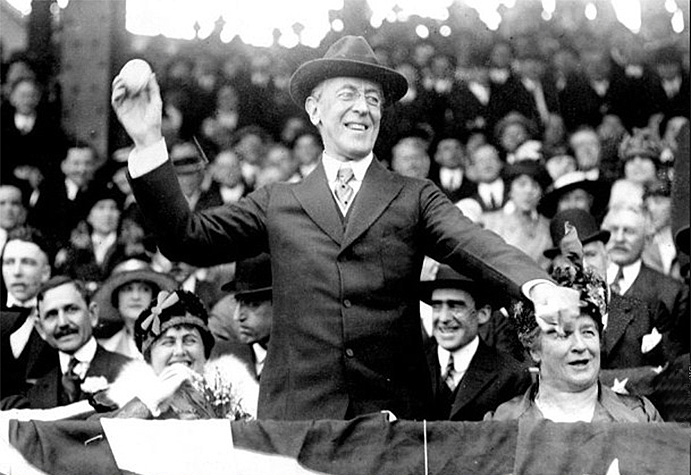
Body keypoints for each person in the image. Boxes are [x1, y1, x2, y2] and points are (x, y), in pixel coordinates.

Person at [112, 35, 580, 421]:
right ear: (315, 110)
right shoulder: (280, 201)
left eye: (373, 99)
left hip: (392, 422)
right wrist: (150, 142)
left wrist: (536, 286)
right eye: (349, 95)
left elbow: (474, 242)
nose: (364, 108)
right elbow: (185, 238)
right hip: (297, 423)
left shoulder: (413, 195)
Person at [486, 226, 663, 422]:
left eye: (588, 332)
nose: (580, 346)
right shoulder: (502, 423)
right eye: (564, 334)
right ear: (534, 349)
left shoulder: (641, 417)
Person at [99, 289, 258, 420]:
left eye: (190, 341)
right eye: (168, 342)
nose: (180, 351)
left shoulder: (233, 387)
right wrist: (152, 399)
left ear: (205, 351)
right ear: (149, 357)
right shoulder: (128, 391)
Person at [1, 276, 131, 410]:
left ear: (92, 314)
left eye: (71, 309)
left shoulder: (130, 373)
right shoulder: (35, 393)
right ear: (41, 328)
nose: (62, 323)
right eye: (52, 314)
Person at [421, 265, 530, 420]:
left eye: (455, 306)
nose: (444, 318)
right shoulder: (410, 368)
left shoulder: (511, 376)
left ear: (483, 314)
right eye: (437, 306)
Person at [0, 226, 57, 399]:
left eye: (27, 262)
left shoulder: (58, 317)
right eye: (9, 262)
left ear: (46, 272)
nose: (17, 272)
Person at [93, 256, 178, 359]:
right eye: (128, 289)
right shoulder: (108, 349)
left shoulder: (175, 342)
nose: (136, 297)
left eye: (145, 289)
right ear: (116, 299)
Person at [213, 254, 273, 381]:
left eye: (253, 304)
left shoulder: (303, 360)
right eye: (238, 302)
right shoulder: (222, 357)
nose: (237, 316)